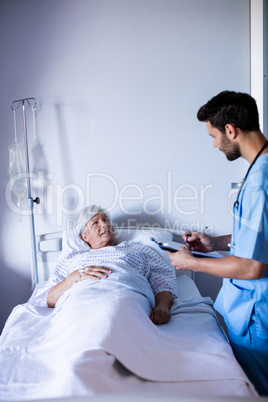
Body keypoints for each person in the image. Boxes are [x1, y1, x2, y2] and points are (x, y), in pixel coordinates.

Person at [167, 91, 268, 396]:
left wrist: (190, 262)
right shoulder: (260, 171)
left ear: (230, 130)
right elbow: (259, 236)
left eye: (213, 135)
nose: (213, 144)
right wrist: (214, 244)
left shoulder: (260, 183)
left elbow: (252, 267)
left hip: (257, 317)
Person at [34, 204, 177, 325]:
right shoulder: (73, 260)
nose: (104, 224)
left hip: (127, 298)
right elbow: (49, 299)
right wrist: (74, 277)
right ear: (84, 237)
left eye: (106, 220)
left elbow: (163, 282)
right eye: (95, 222)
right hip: (81, 303)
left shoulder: (138, 250)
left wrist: (162, 306)